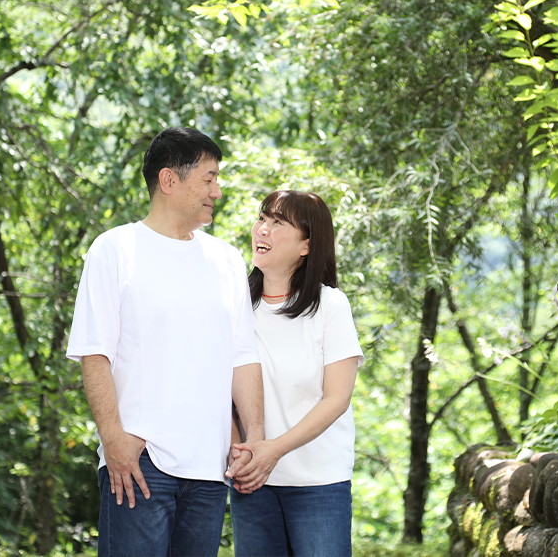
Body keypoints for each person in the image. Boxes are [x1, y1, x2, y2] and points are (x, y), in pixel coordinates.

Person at [66, 127, 264, 556]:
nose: (218, 189)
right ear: (169, 180)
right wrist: (113, 438)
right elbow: (93, 352)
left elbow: (243, 357)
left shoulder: (227, 260)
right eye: (209, 178)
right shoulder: (114, 249)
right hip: (139, 462)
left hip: (210, 470)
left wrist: (256, 437)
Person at [225, 190, 363, 557]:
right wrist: (240, 450)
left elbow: (337, 398)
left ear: (306, 245)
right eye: (262, 218)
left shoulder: (330, 305)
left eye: (277, 223)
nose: (262, 230)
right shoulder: (236, 305)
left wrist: (273, 451)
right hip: (252, 480)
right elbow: (221, 387)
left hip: (319, 483)